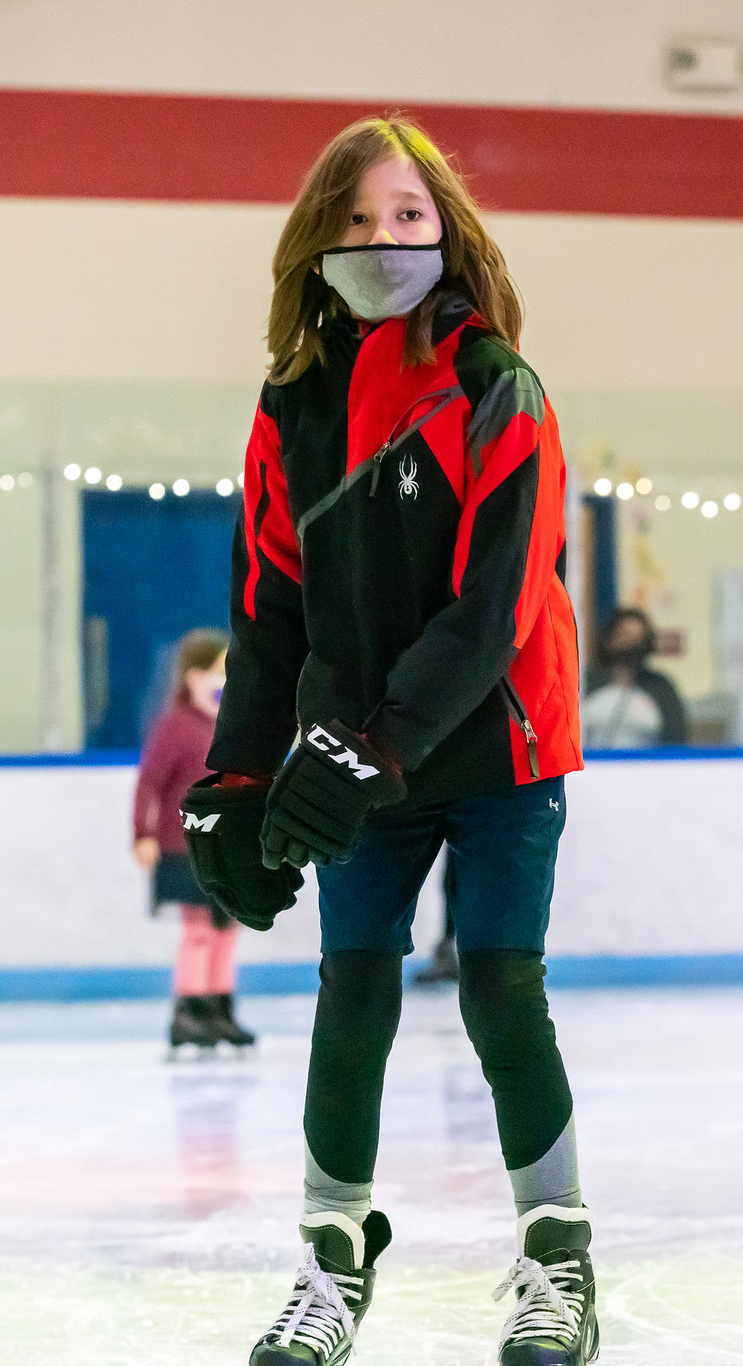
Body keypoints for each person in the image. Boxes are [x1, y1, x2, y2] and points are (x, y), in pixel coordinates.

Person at [176, 115, 595, 1366]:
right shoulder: (290, 408)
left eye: (407, 216)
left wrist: (376, 746)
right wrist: (237, 774)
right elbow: (267, 607)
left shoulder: (494, 387)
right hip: (355, 755)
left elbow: (494, 607)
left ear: (448, 232)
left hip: (495, 750)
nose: (381, 238)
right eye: (354, 219)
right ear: (318, 239)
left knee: (499, 992)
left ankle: (556, 1253)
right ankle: (331, 1258)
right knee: (349, 996)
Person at [133, 628, 255, 1054]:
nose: (224, 680)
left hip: (225, 848)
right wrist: (143, 834)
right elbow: (149, 783)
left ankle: (219, 1007)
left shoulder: (228, 726)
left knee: (227, 926)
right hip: (183, 847)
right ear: (193, 676)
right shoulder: (176, 728)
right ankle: (190, 1010)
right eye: (217, 671)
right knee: (199, 928)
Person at [580, 607, 687, 748]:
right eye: (625, 636)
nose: (631, 644)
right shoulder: (584, 683)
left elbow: (675, 738)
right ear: (609, 640)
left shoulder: (660, 688)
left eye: (638, 638)